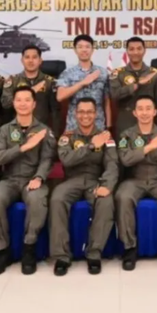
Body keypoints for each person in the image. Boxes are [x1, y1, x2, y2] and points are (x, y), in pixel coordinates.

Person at [0, 87, 56, 276]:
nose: (23, 104)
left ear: (34, 104)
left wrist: (39, 177)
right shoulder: (4, 130)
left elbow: (47, 160)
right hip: (9, 179)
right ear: (14, 103)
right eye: (19, 100)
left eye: (27, 100)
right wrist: (24, 147)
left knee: (36, 199)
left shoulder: (44, 131)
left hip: (33, 178)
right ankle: (1, 251)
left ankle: (29, 249)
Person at [50, 98, 118, 276]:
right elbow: (66, 160)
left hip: (96, 180)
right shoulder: (67, 137)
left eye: (89, 112)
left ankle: (94, 253)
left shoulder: (106, 136)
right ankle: (62, 256)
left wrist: (107, 186)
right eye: (81, 112)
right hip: (72, 180)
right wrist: (91, 146)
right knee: (57, 198)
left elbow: (112, 165)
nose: (85, 116)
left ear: (95, 114)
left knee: (106, 201)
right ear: (75, 114)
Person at [115, 95, 157, 271]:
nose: (144, 113)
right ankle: (129, 248)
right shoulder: (126, 135)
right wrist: (149, 147)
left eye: (148, 109)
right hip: (134, 179)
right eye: (141, 109)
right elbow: (125, 160)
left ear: (155, 112)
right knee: (123, 197)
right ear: (135, 113)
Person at [109, 37, 157, 135]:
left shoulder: (154, 73)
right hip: (126, 122)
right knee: (125, 150)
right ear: (127, 51)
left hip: (149, 123)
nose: (135, 52)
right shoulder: (117, 73)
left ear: (145, 51)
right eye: (131, 49)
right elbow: (114, 95)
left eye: (139, 49)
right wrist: (136, 85)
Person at [1, 45, 61, 136]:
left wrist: (55, 135)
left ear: (40, 60)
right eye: (27, 57)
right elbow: (6, 104)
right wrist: (30, 92)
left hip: (41, 132)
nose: (30, 61)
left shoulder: (49, 82)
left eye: (34, 57)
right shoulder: (13, 81)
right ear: (22, 60)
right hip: (16, 133)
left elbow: (55, 112)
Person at [56, 34, 111, 132]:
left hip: (97, 124)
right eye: (80, 47)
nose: (84, 50)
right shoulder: (68, 73)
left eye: (87, 47)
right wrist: (82, 83)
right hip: (74, 125)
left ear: (93, 49)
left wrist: (109, 126)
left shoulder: (102, 72)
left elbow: (107, 101)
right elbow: (60, 96)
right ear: (75, 50)